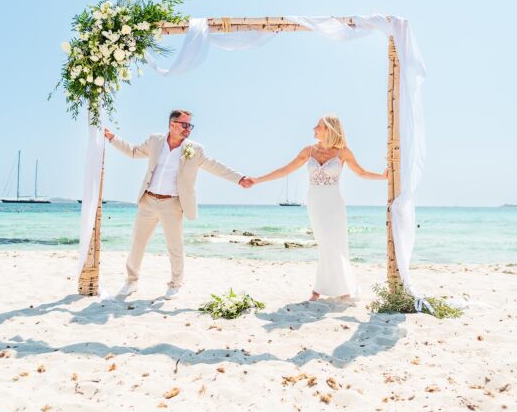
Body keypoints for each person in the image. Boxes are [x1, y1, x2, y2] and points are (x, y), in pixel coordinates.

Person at [105, 109, 253, 300]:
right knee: (137, 243)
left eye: (190, 125)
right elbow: (133, 152)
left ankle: (175, 284)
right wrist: (112, 138)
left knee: (175, 246)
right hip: (148, 201)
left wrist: (239, 178)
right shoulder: (155, 141)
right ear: (172, 124)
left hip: (172, 204)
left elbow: (215, 166)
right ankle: (131, 281)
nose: (188, 129)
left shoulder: (195, 149)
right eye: (185, 125)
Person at [252, 115, 387, 301]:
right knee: (325, 243)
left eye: (318, 126)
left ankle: (327, 289)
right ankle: (331, 288)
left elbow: (361, 172)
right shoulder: (309, 151)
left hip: (334, 202)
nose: (314, 128)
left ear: (329, 129)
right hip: (315, 202)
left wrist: (383, 176)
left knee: (336, 244)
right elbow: (285, 170)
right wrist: (257, 180)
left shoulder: (343, 152)